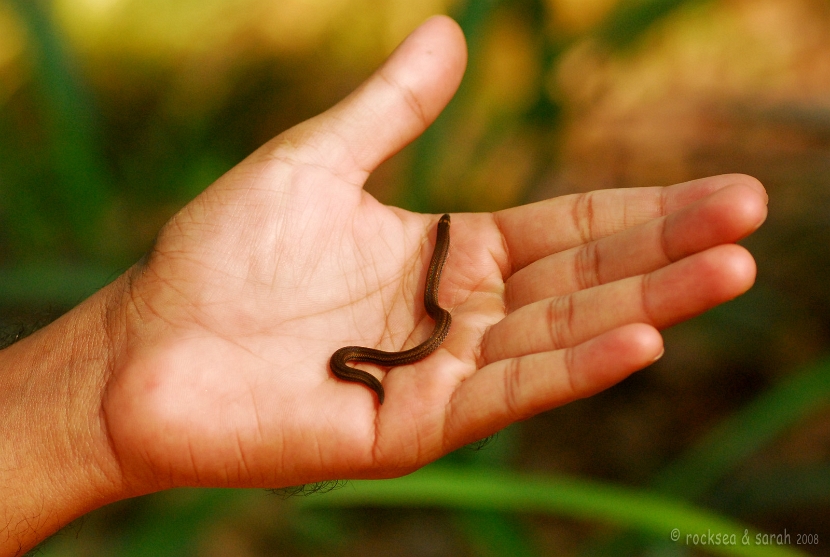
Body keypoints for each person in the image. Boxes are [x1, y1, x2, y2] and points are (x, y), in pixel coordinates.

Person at [0, 15, 767, 556]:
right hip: (370, 350)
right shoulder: (412, 318)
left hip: (373, 349)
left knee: (412, 336)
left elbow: (417, 323)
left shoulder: (426, 307)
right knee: (407, 341)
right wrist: (102, 389)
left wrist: (99, 391)